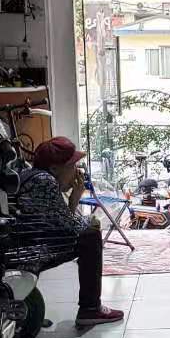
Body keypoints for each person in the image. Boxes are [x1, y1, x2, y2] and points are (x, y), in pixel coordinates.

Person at [21, 137, 124, 327]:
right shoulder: (45, 181)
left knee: (87, 229)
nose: (77, 171)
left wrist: (73, 202)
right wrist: (89, 219)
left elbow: (61, 225)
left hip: (25, 243)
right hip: (28, 250)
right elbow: (69, 228)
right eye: (72, 165)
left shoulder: (33, 176)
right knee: (90, 234)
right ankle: (90, 308)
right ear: (54, 168)